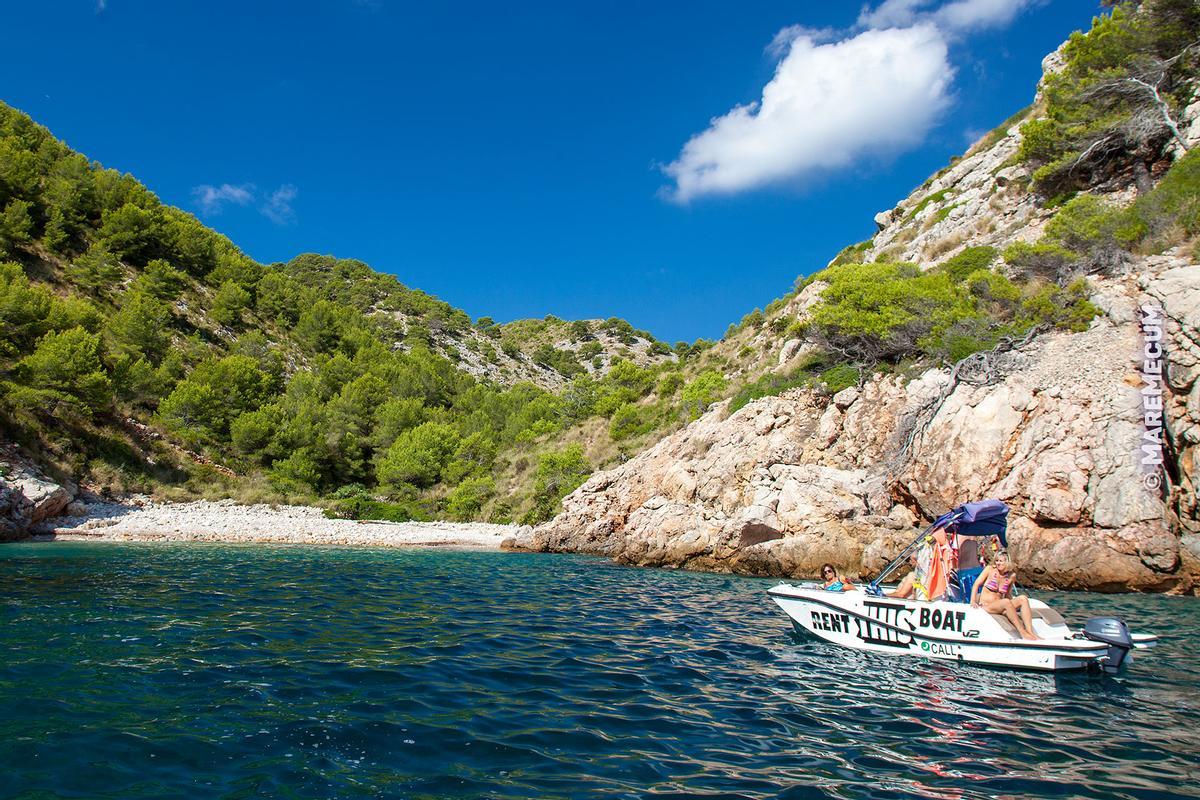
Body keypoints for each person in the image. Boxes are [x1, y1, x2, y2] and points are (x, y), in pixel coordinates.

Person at [971, 552, 1039, 640]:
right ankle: (1022, 632)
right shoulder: (989, 570)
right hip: (987, 606)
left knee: (1023, 599)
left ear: (1007, 562)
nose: (998, 563)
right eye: (996, 561)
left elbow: (1008, 594)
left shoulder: (1011, 576)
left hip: (1000, 606)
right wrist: (972, 601)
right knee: (1006, 602)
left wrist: (1013, 607)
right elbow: (976, 584)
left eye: (1000, 561)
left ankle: (1030, 632)